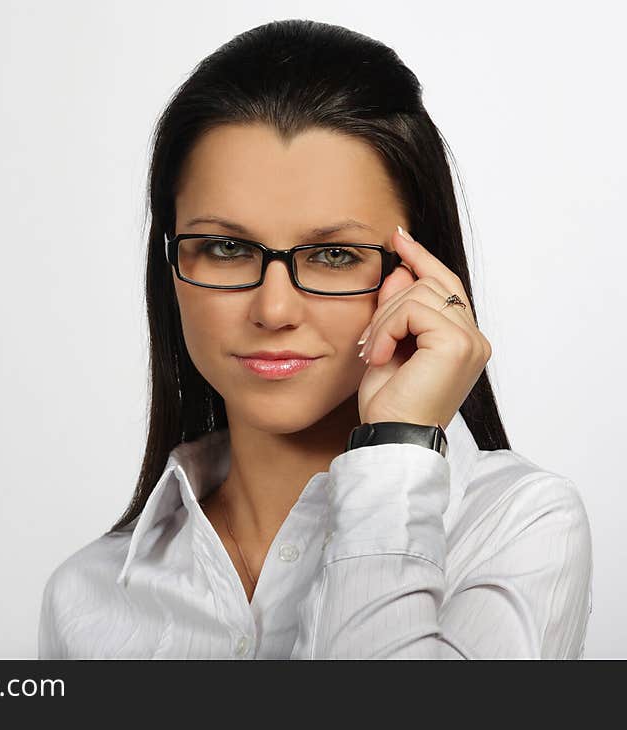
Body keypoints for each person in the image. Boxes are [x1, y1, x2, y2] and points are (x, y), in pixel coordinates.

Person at [37, 19, 592, 659]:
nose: (274, 309)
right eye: (226, 247)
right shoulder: (86, 597)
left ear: (418, 275)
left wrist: (397, 443)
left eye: (333, 254)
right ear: (171, 271)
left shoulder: (518, 525)